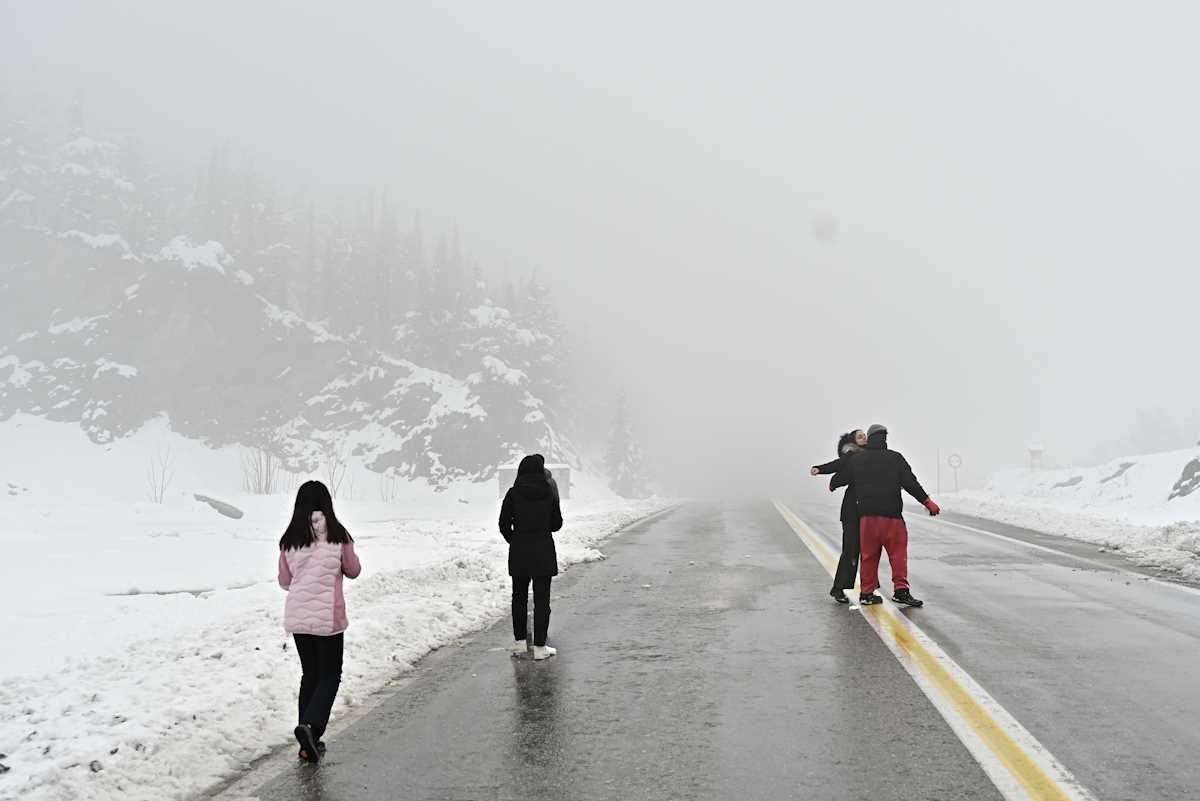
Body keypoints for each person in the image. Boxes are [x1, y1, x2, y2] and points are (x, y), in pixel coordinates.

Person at [277, 480, 362, 763]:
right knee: (330, 675)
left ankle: (307, 740)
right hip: (328, 618)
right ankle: (312, 729)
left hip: (299, 617)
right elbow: (353, 570)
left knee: (310, 675)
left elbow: (285, 581)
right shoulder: (339, 535)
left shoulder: (290, 538)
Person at [830, 424, 939, 607]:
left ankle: (866, 594)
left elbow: (838, 480)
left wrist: (833, 484)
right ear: (885, 438)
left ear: (870, 439)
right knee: (898, 556)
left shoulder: (858, 460)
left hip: (867, 520)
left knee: (869, 557)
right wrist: (927, 502)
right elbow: (911, 483)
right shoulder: (895, 458)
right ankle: (901, 591)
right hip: (892, 518)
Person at [499, 454, 564, 660]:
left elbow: (503, 524)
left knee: (518, 598)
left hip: (519, 552)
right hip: (543, 552)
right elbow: (556, 524)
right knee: (542, 600)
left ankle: (519, 644)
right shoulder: (548, 493)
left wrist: (515, 540)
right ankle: (539, 648)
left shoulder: (513, 493)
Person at [811, 429, 867, 603]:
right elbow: (835, 465)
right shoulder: (851, 456)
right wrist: (819, 469)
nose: (864, 437)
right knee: (850, 551)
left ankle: (868, 590)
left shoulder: (872, 455)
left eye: (865, 435)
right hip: (852, 511)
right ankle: (838, 588)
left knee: (868, 552)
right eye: (860, 436)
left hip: (867, 511)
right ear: (853, 442)